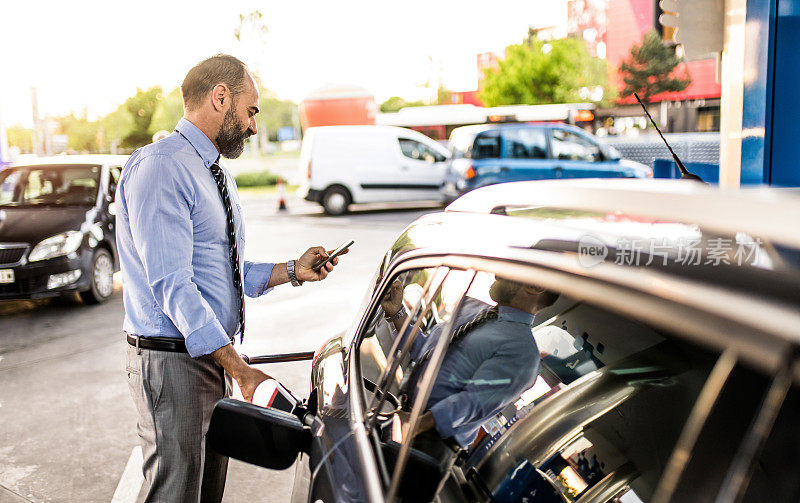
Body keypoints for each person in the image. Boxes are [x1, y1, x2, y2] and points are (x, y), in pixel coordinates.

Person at [117, 54, 343, 503]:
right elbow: (172, 285)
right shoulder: (162, 167)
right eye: (251, 110)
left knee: (205, 492)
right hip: (173, 362)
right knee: (175, 492)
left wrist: (292, 271)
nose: (254, 125)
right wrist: (240, 371)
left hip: (206, 357)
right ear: (221, 97)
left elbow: (223, 270)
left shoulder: (211, 171)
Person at [380, 277, 558, 448]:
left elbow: (472, 402)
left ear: (536, 285)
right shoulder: (470, 307)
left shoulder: (524, 353)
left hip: (425, 441)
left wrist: (415, 425)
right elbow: (425, 351)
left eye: (513, 268)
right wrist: (397, 313)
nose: (498, 273)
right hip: (402, 416)